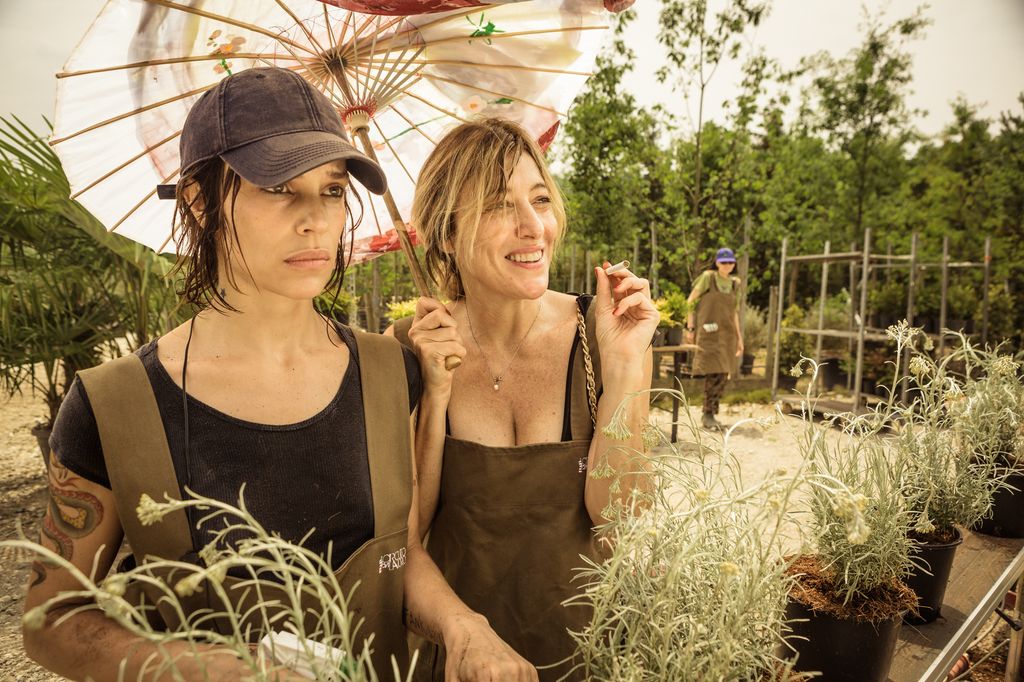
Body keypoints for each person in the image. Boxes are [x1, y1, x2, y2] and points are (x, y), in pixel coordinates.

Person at [21, 67, 534, 682]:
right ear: (199, 202)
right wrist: (219, 671)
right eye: (278, 188)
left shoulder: (390, 374)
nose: (315, 219)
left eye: (333, 190)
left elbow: (401, 555)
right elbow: (50, 619)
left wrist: (463, 627)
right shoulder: (113, 406)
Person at [388, 118, 658, 681]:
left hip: (588, 652)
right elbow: (407, 538)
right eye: (497, 205)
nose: (534, 227)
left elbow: (620, 519)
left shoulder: (604, 332)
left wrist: (625, 368)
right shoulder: (409, 349)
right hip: (460, 657)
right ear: (446, 233)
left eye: (540, 200)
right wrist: (434, 391)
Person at [685, 247, 744, 431]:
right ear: (717, 262)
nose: (727, 265)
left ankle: (711, 413)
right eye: (723, 262)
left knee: (724, 373)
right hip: (709, 333)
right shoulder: (708, 278)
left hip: (727, 335)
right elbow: (690, 301)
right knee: (713, 372)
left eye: (730, 262)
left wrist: (739, 338)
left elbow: (734, 313)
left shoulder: (735, 284)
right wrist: (690, 327)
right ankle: (707, 413)